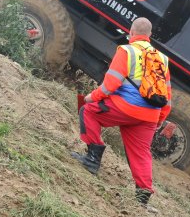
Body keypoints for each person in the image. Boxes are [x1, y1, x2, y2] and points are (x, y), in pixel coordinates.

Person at [71, 17, 171, 205]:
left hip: (125, 107)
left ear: (131, 32)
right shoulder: (163, 60)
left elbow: (110, 85)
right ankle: (143, 197)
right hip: (150, 116)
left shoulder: (127, 51)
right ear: (149, 35)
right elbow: (168, 97)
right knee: (141, 153)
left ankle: (92, 159)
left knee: (87, 111)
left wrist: (91, 97)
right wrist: (158, 120)